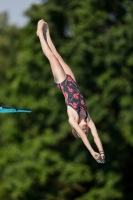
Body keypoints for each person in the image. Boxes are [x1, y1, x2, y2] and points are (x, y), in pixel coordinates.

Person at [36, 19, 105, 163]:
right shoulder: (87, 117)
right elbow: (96, 136)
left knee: (51, 57)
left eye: (83, 130)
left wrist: (92, 152)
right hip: (72, 81)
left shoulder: (72, 119)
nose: (85, 129)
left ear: (77, 129)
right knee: (58, 55)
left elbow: (85, 138)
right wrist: (102, 152)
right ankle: (47, 34)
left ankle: (40, 35)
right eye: (86, 130)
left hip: (62, 82)